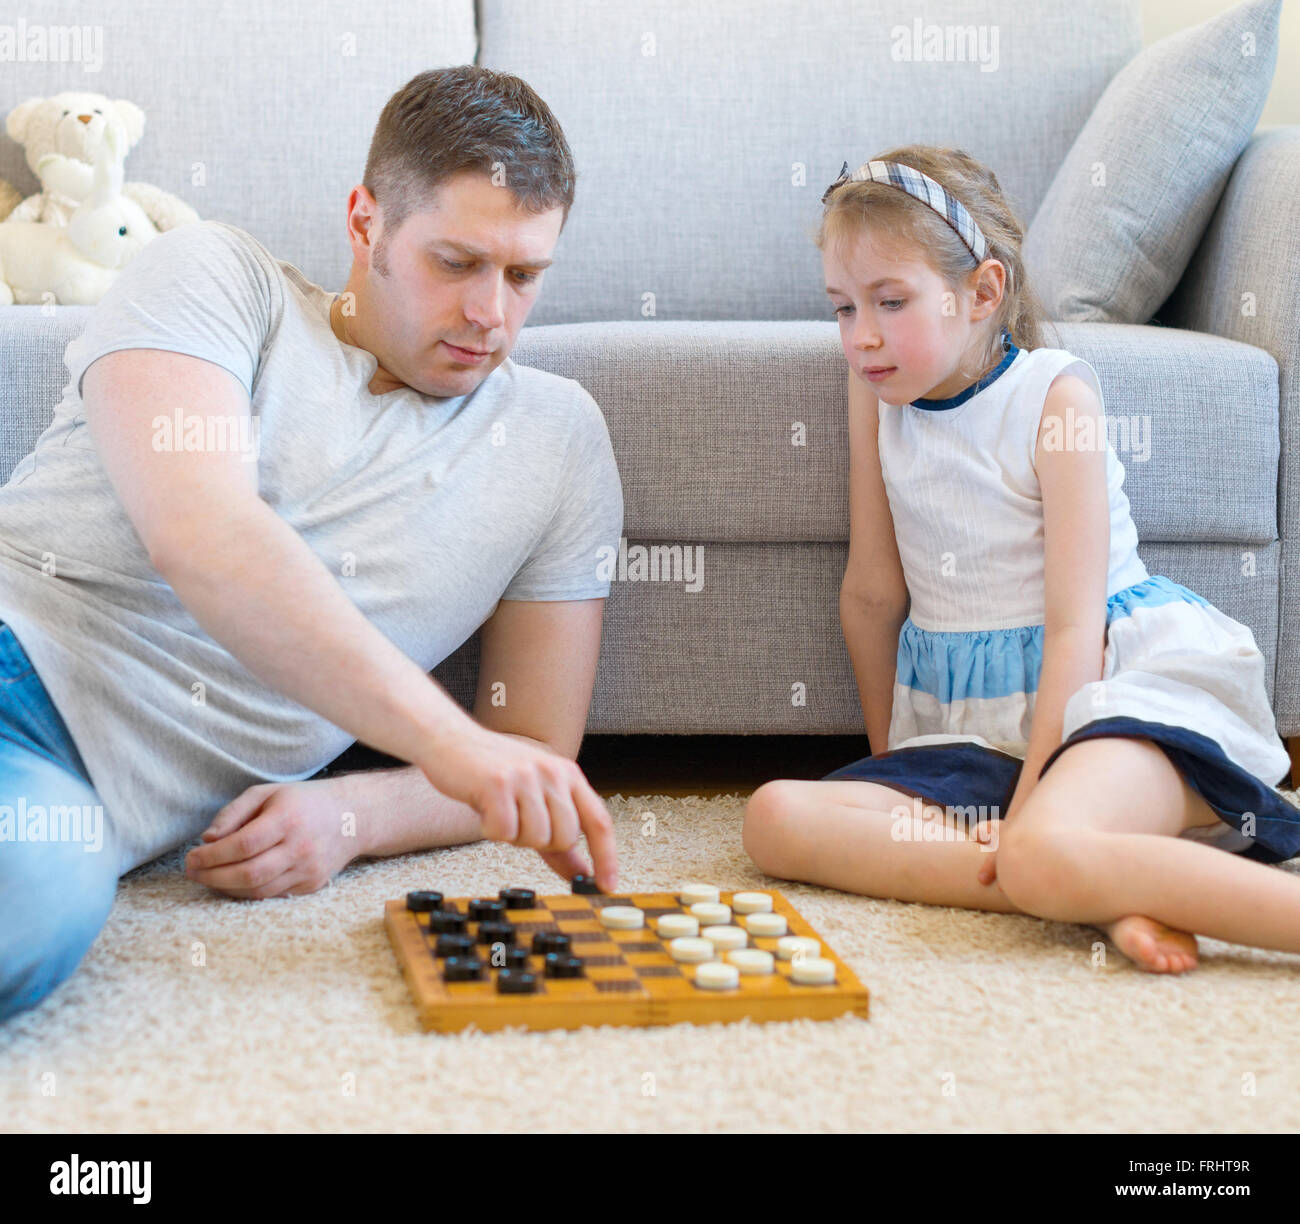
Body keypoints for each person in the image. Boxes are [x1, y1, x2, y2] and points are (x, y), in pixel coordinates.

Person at [0, 66, 624, 1022]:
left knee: (40, 884)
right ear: (365, 221)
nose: (492, 315)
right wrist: (446, 740)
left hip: (74, 809)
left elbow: (533, 748)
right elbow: (202, 536)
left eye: (525, 275)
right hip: (16, 658)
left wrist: (354, 815)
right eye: (455, 263)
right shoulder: (215, 276)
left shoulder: (559, 440)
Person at [743, 145, 1300, 974]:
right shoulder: (877, 394)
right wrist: (899, 767)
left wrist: (1035, 796)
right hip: (975, 733)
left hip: (1109, 703)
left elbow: (1076, 624)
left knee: (1039, 846)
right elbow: (870, 594)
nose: (860, 337)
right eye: (842, 308)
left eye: (889, 302)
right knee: (776, 819)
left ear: (983, 292)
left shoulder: (1054, 396)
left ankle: (1073, 865)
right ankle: (1105, 887)